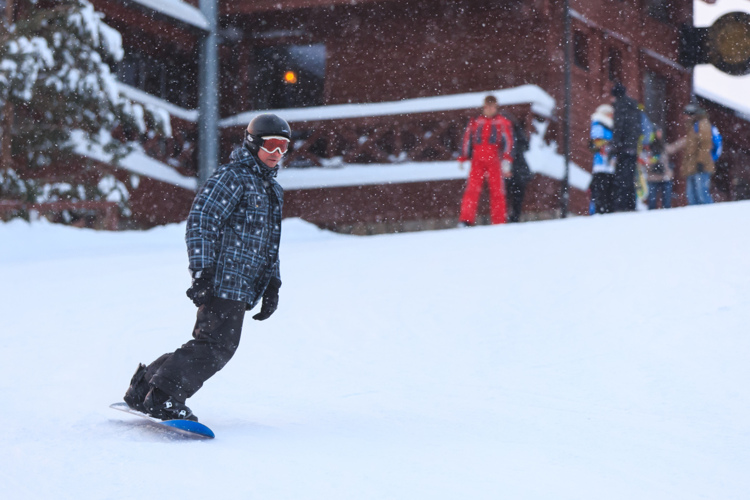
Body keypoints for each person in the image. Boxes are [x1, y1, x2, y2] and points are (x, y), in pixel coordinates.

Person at [121, 113, 291, 421]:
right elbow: (202, 220)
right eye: (272, 146)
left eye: (283, 148)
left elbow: (269, 242)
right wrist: (202, 272)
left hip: (244, 281)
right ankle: (164, 397)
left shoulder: (272, 191)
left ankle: (143, 389)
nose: (277, 154)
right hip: (222, 277)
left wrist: (272, 284)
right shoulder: (233, 177)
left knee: (209, 342)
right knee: (217, 345)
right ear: (253, 144)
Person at [457, 95, 513, 226]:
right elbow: (466, 139)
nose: (490, 110)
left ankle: (499, 221)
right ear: (484, 107)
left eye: (492, 107)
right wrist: (463, 157)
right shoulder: (475, 122)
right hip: (477, 160)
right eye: (487, 107)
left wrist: (507, 159)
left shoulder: (502, 122)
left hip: (495, 160)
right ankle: (466, 219)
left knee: (497, 192)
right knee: (472, 190)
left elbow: (509, 142)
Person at [610, 82, 642, 212]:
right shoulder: (634, 106)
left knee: (621, 178)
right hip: (633, 148)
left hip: (623, 148)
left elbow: (619, 128)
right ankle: (631, 204)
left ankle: (622, 205)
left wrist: (615, 145)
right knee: (630, 177)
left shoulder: (620, 106)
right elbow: (638, 127)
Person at [675, 104, 716, 205]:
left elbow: (706, 144)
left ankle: (711, 215)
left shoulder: (702, 124)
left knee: (702, 193)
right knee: (691, 195)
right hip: (692, 166)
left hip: (701, 165)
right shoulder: (693, 125)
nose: (685, 117)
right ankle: (695, 218)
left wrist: (701, 162)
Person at [504, 113, 533, 223]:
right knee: (515, 197)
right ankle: (512, 217)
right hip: (516, 169)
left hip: (516, 169)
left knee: (514, 196)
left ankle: (513, 217)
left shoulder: (513, 133)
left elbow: (524, 146)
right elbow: (525, 146)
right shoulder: (515, 133)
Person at [588, 103, 616, 214]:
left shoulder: (607, 125)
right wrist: (610, 144)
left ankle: (606, 210)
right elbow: (597, 143)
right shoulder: (598, 125)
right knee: (602, 192)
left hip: (609, 165)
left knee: (608, 191)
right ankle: (600, 211)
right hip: (601, 164)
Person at [642, 128, 678, 209]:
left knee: (666, 202)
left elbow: (674, 147)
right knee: (652, 202)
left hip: (664, 176)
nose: (660, 134)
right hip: (653, 177)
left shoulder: (663, 146)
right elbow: (645, 161)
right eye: (658, 132)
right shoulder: (648, 148)